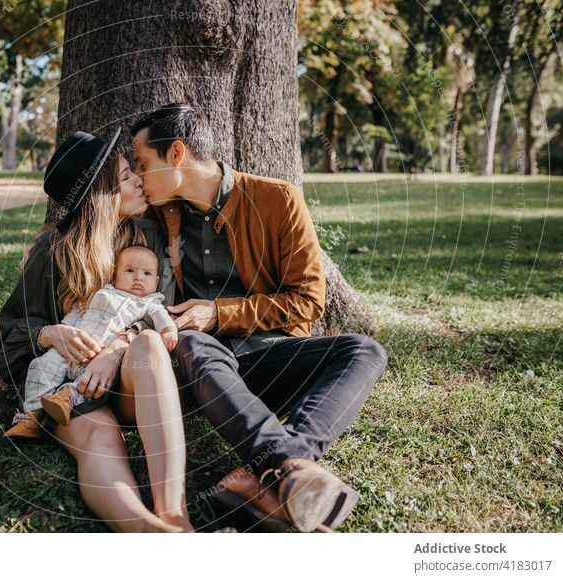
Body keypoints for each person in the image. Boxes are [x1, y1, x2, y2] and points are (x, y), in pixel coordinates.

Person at [130, 103, 389, 532]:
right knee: (193, 341)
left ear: (176, 154)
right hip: (202, 371)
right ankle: (287, 471)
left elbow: (308, 301)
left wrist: (218, 313)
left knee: (365, 350)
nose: (138, 177)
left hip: (272, 361)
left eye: (143, 164)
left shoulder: (277, 198)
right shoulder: (160, 213)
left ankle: (278, 466)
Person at [0, 129, 192, 533]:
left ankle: (174, 513)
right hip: (66, 387)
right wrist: (51, 334)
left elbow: (158, 311)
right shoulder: (55, 250)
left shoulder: (148, 238)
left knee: (151, 344)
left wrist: (116, 350)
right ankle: (151, 533)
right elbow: (10, 331)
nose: (139, 179)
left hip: (127, 377)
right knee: (101, 438)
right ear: (99, 195)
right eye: (125, 176)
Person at [16, 245, 178, 427]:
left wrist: (168, 330)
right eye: (130, 270)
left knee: (89, 383)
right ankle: (31, 414)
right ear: (115, 275)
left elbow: (161, 316)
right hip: (72, 347)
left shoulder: (150, 302)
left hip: (100, 357)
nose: (138, 278)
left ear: (156, 281)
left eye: (147, 274)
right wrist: (63, 328)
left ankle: (65, 400)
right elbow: (79, 312)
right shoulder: (102, 291)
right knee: (42, 366)